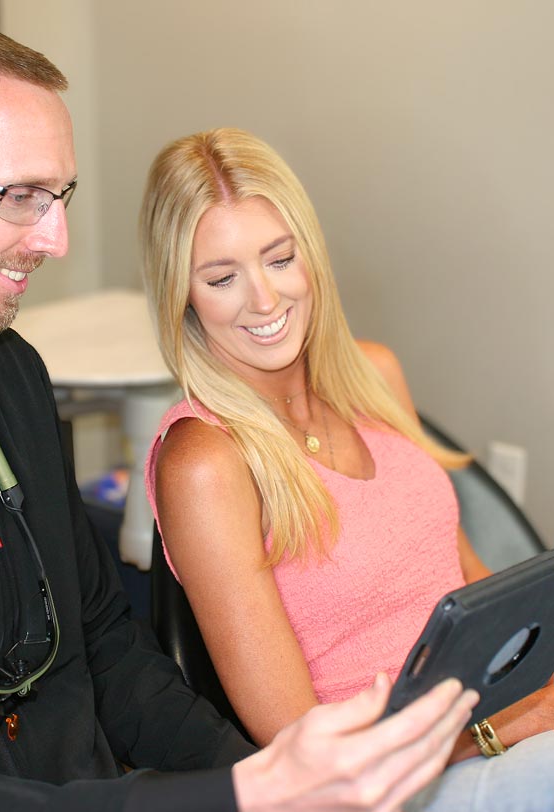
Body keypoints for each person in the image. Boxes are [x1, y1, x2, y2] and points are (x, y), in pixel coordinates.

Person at [0, 19, 477, 812]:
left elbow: (109, 651)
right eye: (20, 197)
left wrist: (288, 782)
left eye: (58, 197)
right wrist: (241, 796)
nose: (54, 239)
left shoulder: (9, 374)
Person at [140, 127, 554, 809]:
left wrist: (532, 697)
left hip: (500, 726)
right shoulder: (205, 464)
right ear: (181, 295)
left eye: (279, 259)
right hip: (394, 782)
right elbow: (307, 748)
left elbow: (477, 595)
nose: (266, 301)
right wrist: (504, 726)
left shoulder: (374, 375)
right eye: (221, 278)